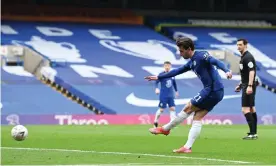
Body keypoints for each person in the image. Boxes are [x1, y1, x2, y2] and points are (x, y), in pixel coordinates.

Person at [145, 37, 232, 153]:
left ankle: (165, 129)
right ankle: (187, 147)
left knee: (188, 107)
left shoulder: (201, 56)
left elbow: (216, 61)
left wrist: (226, 70)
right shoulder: (191, 62)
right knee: (197, 117)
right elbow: (177, 71)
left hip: (212, 90)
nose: (180, 54)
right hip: (217, 92)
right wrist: (159, 77)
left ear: (189, 49)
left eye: (181, 51)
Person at [235, 38, 258, 140]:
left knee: (245, 109)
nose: (238, 47)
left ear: (245, 45)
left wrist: (249, 86)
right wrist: (240, 84)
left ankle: (252, 134)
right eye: (237, 45)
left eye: (240, 45)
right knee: (252, 108)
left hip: (249, 86)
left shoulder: (248, 57)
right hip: (246, 84)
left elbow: (251, 72)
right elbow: (245, 74)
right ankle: (254, 132)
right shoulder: (243, 57)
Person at [154, 61, 179, 128]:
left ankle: (172, 124)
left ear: (170, 66)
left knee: (172, 108)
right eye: (166, 66)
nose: (167, 67)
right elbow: (156, 82)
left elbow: (174, 83)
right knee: (162, 109)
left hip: (171, 94)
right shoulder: (161, 74)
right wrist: (156, 88)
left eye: (168, 66)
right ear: (164, 66)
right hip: (163, 95)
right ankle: (156, 121)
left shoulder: (172, 74)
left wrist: (176, 91)